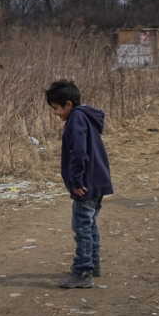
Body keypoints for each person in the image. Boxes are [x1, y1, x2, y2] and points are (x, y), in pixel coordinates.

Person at [46, 79, 113, 289]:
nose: (55, 113)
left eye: (56, 108)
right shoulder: (85, 116)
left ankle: (83, 271)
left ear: (68, 104)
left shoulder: (75, 120)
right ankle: (94, 263)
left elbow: (79, 154)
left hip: (85, 183)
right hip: (97, 181)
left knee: (82, 226)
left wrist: (76, 181)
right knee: (90, 224)